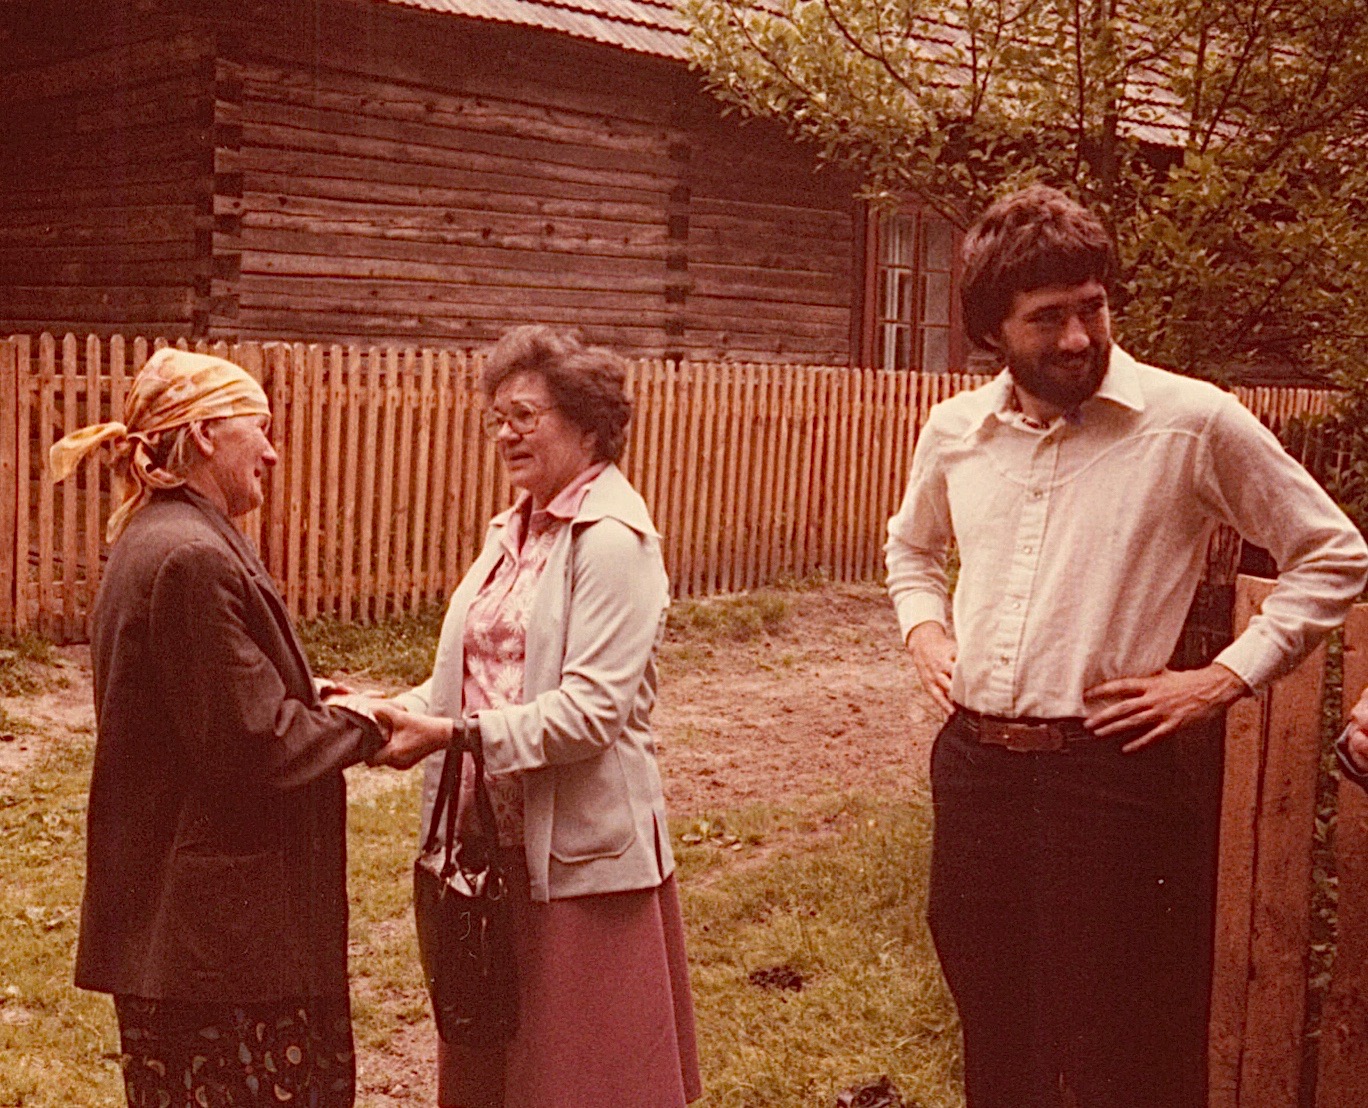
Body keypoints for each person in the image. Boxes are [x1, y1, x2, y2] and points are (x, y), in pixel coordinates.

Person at [885, 184, 1368, 1108]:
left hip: (1111, 778)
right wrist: (924, 627)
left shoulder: (1190, 422)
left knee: (1129, 1053)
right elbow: (910, 547)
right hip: (978, 773)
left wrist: (1224, 679)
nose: (1076, 338)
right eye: (1047, 319)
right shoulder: (955, 431)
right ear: (993, 331)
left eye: (1092, 308)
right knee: (998, 1035)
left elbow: (1332, 554)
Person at [53, 348, 433, 1108]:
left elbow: (201, 698)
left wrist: (315, 695)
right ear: (200, 436)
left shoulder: (161, 536)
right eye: (257, 430)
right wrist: (364, 725)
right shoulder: (190, 554)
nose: (271, 449)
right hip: (219, 944)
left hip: (189, 934)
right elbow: (248, 742)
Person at [371, 325, 701, 1108]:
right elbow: (472, 678)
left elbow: (591, 713)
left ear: (588, 425)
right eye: (496, 417)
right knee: (503, 1071)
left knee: (579, 1080)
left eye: (525, 414)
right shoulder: (513, 532)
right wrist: (383, 710)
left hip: (583, 865)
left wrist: (454, 736)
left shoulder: (613, 540)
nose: (505, 433)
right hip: (496, 850)